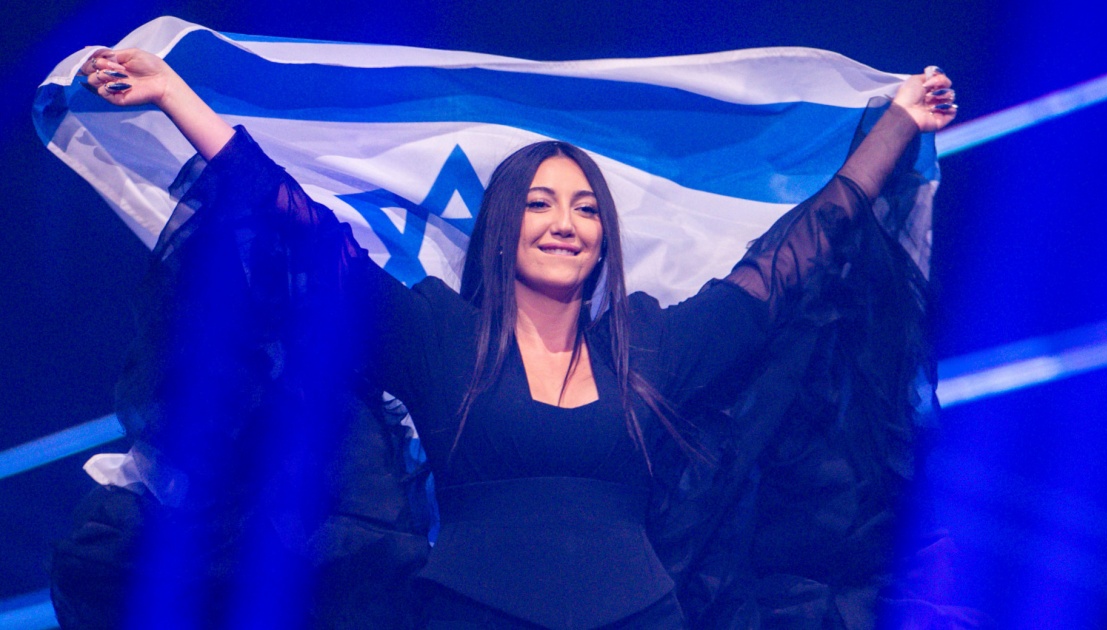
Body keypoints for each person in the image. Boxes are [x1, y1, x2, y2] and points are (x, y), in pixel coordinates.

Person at [53, 47, 956, 630]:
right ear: (502, 227)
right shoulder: (437, 336)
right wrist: (175, 96)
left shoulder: (651, 347)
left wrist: (897, 124)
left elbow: (795, 252)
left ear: (603, 237)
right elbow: (299, 227)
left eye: (584, 208)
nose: (564, 222)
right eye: (539, 203)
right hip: (468, 613)